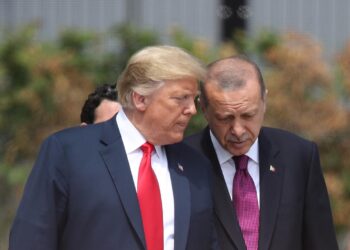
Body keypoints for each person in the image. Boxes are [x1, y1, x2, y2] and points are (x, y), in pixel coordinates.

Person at [9, 45, 218, 250]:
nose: (191, 109)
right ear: (140, 99)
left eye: (194, 99)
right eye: (181, 98)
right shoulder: (68, 152)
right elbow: (31, 240)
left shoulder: (195, 166)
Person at [185, 55, 339, 250]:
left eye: (248, 115)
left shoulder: (298, 156)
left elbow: (321, 242)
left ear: (264, 100)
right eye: (225, 118)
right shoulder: (182, 162)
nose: (238, 130)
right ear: (203, 108)